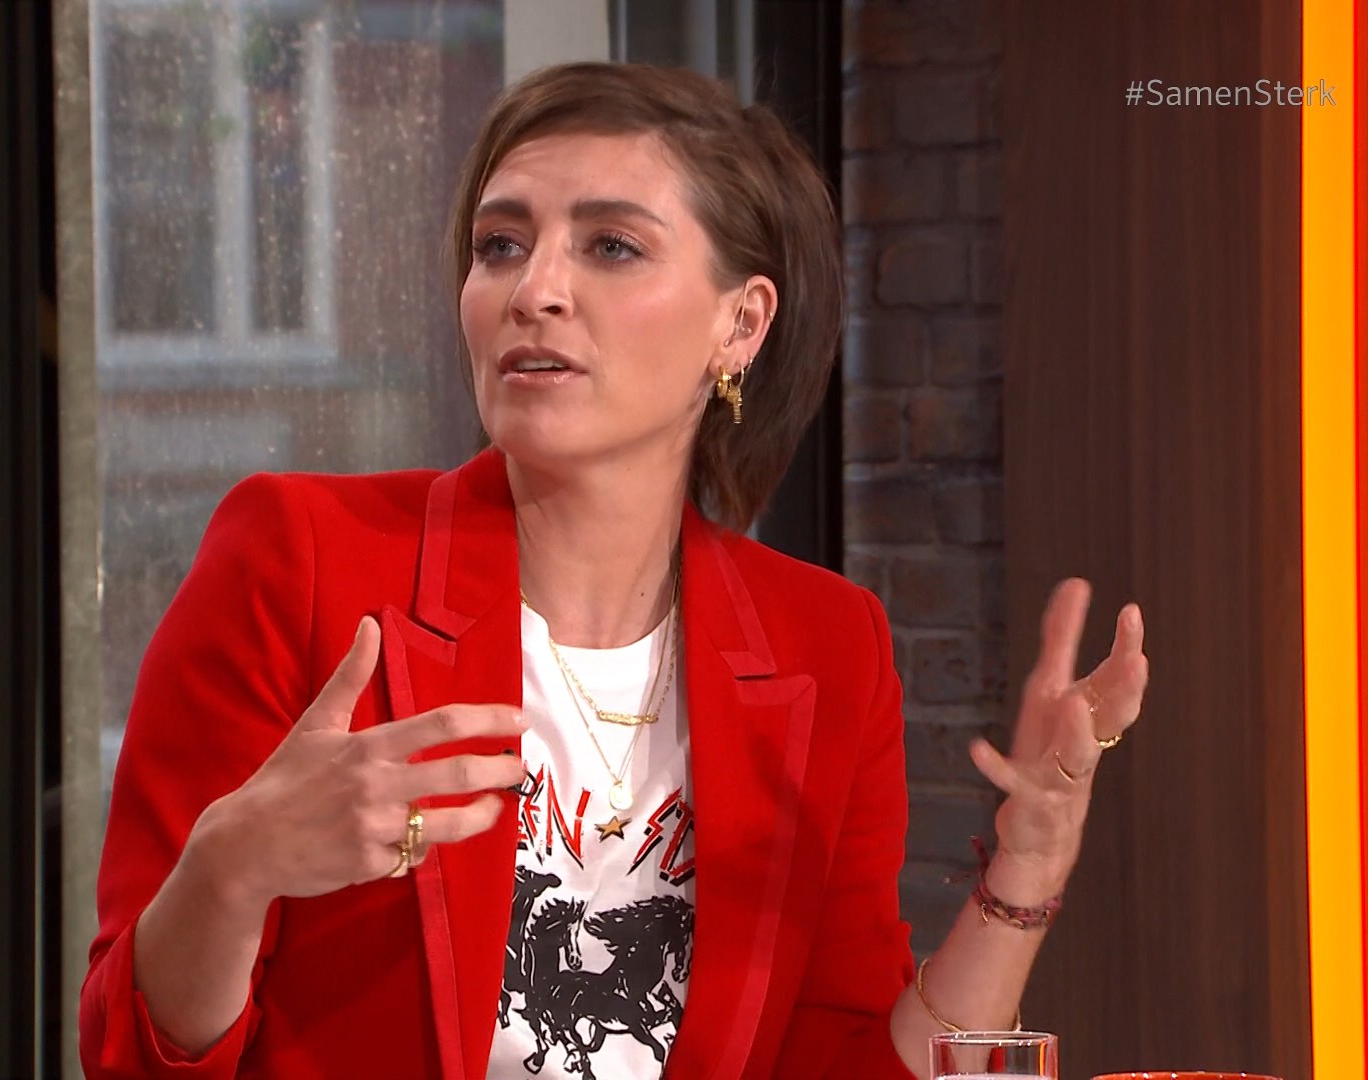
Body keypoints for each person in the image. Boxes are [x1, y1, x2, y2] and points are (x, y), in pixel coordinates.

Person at [79, 61, 1149, 1080]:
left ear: (741, 323)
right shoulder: (300, 556)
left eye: (612, 247)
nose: (534, 289)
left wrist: (1026, 873)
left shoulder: (827, 644)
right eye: (501, 244)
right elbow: (129, 1052)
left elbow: (842, 1062)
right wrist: (232, 866)